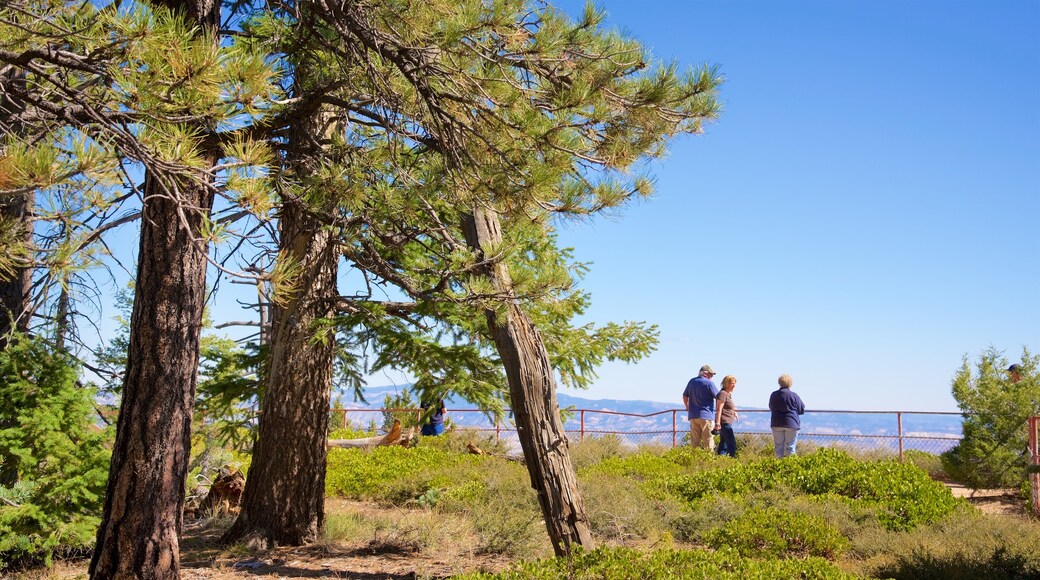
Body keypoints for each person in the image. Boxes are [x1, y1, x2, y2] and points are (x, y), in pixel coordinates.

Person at [683, 365, 719, 451]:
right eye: (711, 375)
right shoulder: (709, 383)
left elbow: (685, 395)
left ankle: (694, 458)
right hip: (706, 415)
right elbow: (718, 397)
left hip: (693, 415)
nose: (712, 377)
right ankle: (708, 461)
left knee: (695, 441)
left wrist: (687, 407)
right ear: (705, 374)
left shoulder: (692, 381)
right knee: (708, 440)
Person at [768, 374, 805, 458]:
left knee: (778, 448)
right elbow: (801, 409)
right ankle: (790, 467)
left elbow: (771, 406)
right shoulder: (794, 395)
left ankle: (778, 467)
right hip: (791, 423)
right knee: (790, 447)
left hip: (776, 423)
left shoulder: (774, 395)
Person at [714, 375, 739, 457]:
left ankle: (721, 458)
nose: (734, 385)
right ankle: (732, 458)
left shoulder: (727, 394)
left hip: (727, 422)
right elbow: (719, 409)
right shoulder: (722, 394)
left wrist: (733, 411)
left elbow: (728, 406)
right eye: (732, 383)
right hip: (724, 422)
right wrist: (717, 423)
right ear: (727, 384)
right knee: (731, 443)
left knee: (723, 442)